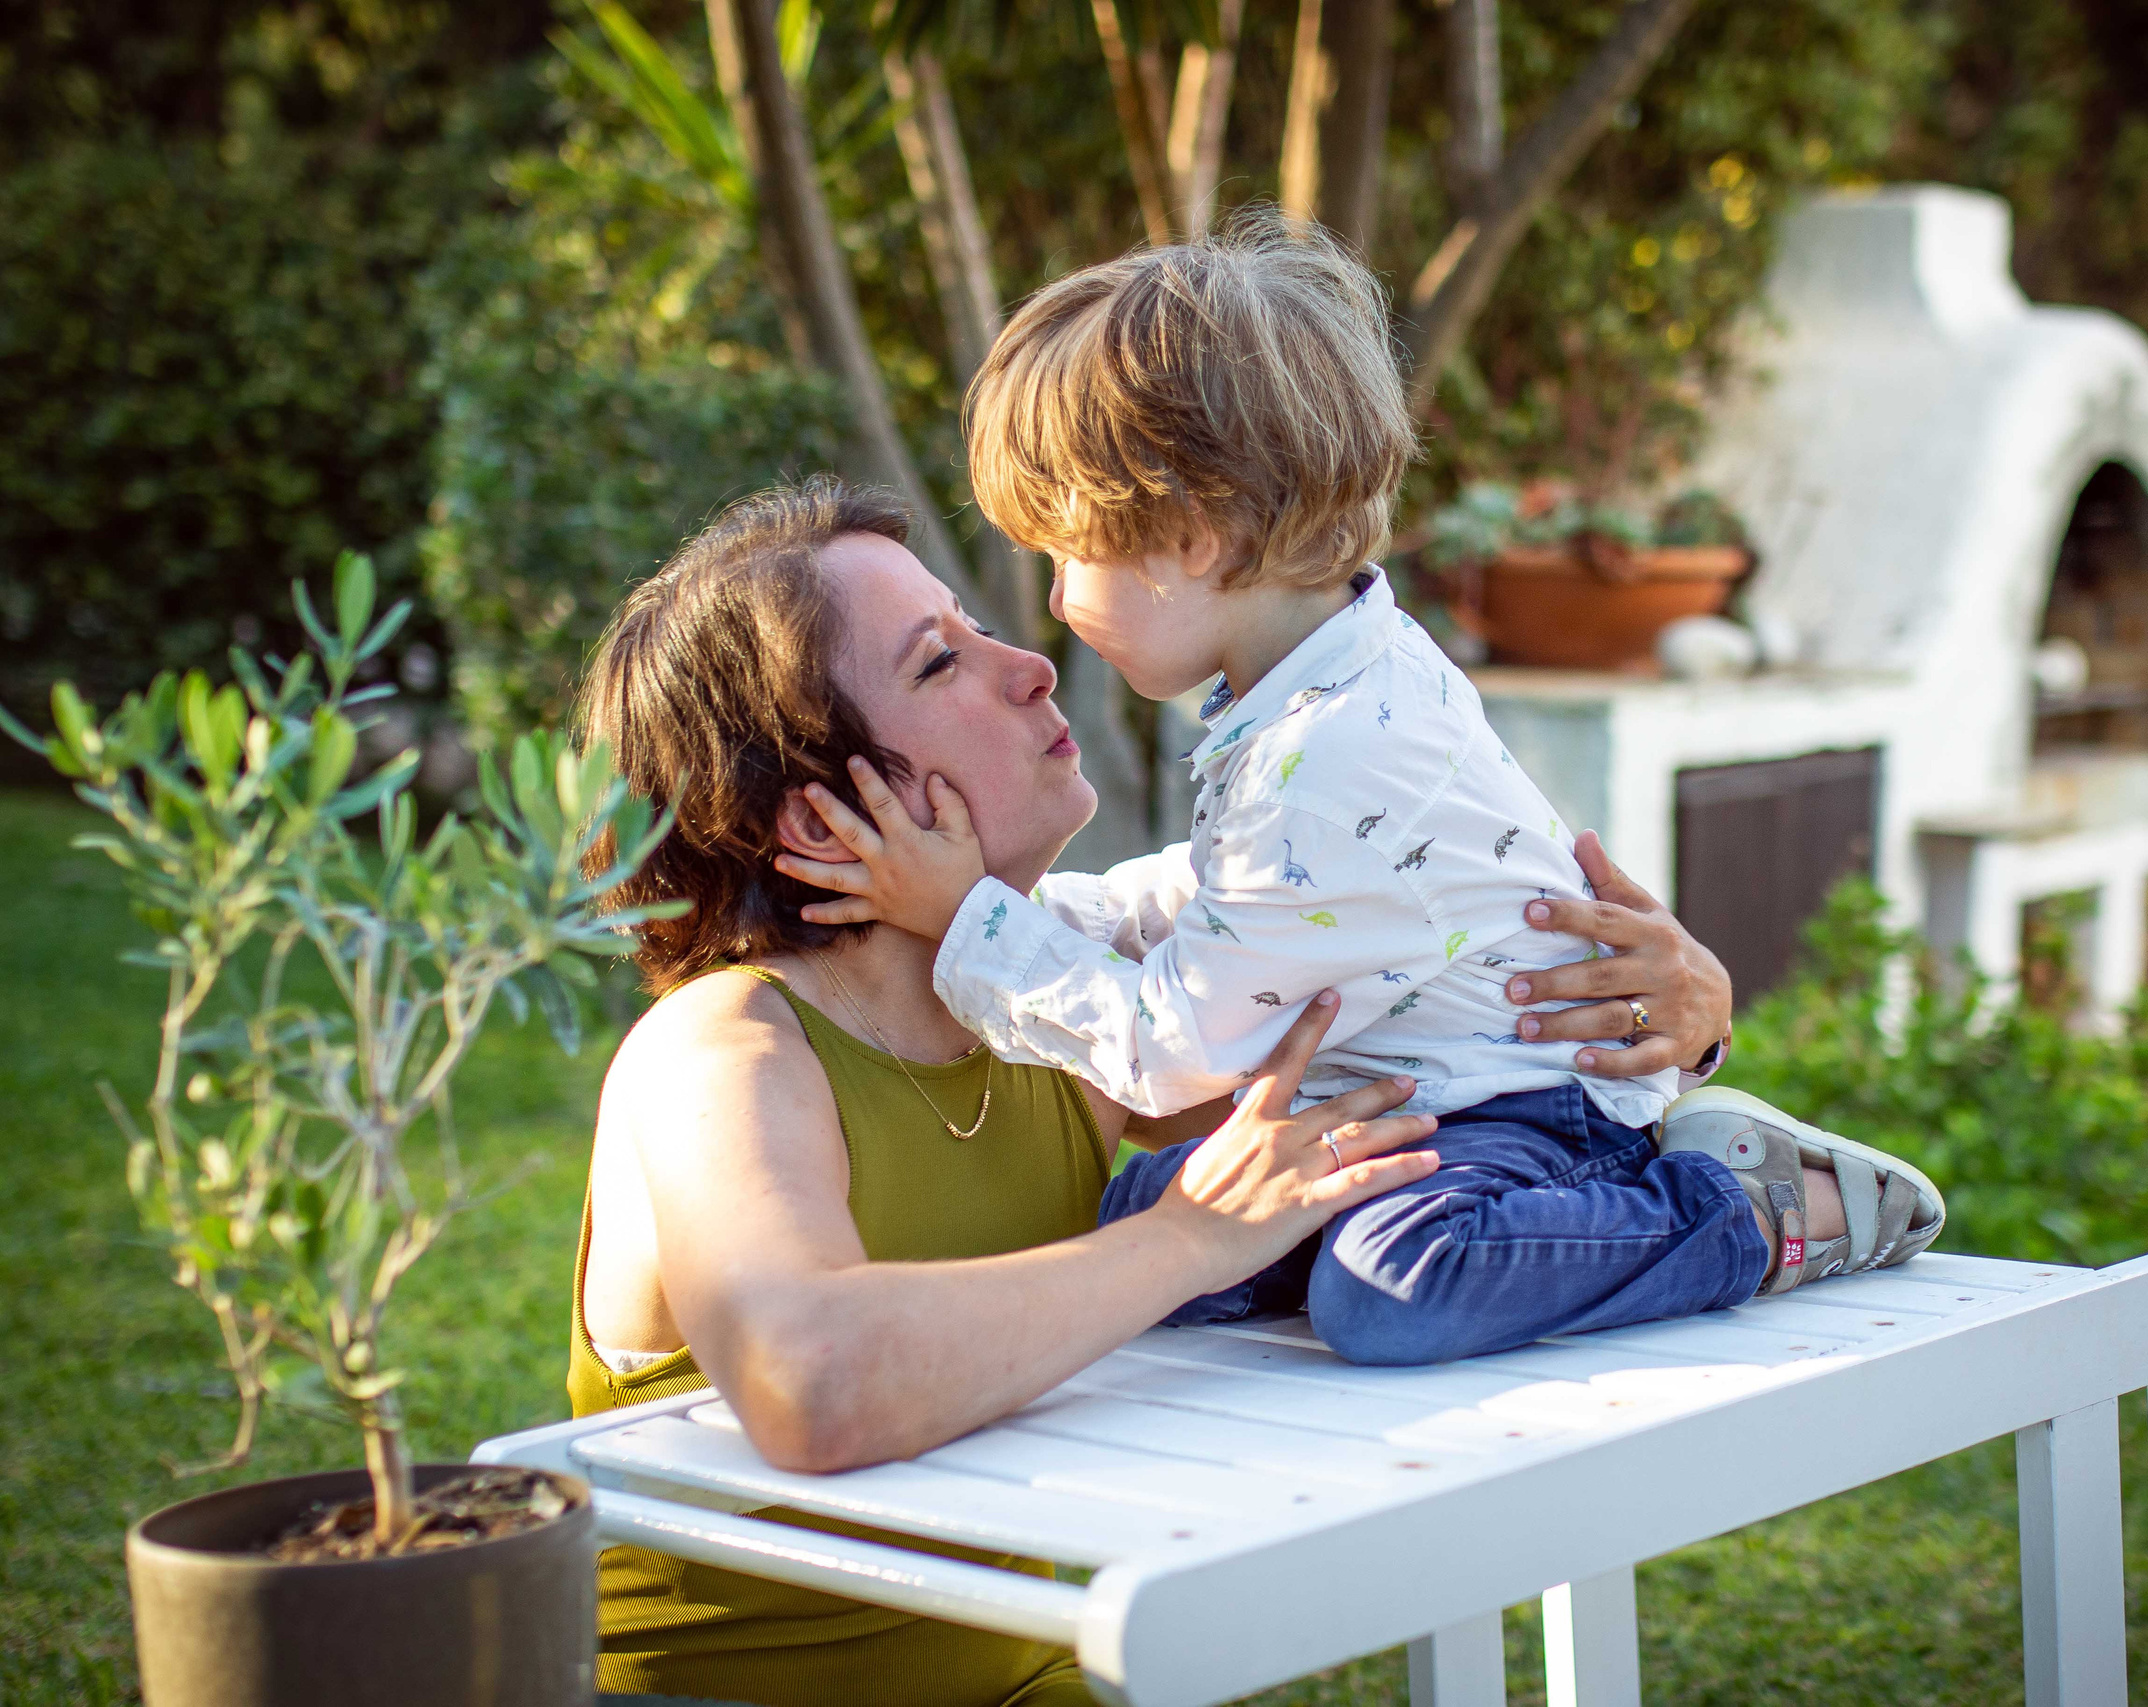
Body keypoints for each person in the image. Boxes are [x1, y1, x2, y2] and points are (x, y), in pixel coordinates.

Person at [571, 476, 1741, 1705]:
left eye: (980, 628)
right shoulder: (725, 1050)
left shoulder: (1069, 1020)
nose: (1031, 665)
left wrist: (1681, 1020)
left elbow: (1448, 1105)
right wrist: (1185, 1239)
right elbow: (810, 1385)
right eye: (939, 663)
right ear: (821, 823)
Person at [779, 216, 1946, 1368]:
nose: (1054, 605)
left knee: (1391, 1289)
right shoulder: (1321, 688)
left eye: (1067, 554)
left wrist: (969, 921)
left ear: (1189, 537)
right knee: (1142, 1218)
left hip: (1524, 1114)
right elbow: (1224, 898)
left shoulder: (1330, 756)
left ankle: (1746, 1211)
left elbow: (1175, 1047)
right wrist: (1028, 910)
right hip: (1411, 1102)